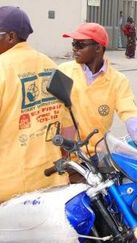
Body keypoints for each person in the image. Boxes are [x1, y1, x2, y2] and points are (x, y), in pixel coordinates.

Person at [0, 6, 71, 202]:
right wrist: (65, 162)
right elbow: (68, 129)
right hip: (51, 181)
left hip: (8, 189)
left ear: (11, 36)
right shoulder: (53, 67)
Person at [59, 23, 137, 155]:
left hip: (96, 156)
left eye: (80, 45)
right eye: (74, 44)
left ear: (98, 48)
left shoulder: (118, 81)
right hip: (65, 155)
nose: (75, 49)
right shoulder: (63, 71)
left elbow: (130, 115)